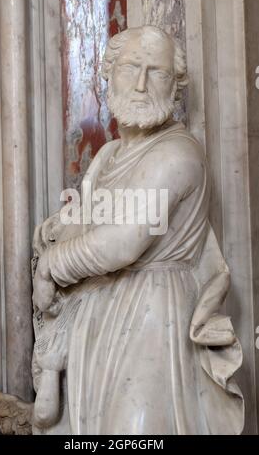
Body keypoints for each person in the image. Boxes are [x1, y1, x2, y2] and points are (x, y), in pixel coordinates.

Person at [32, 26, 244, 435]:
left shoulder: (177, 153)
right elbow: (88, 216)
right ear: (108, 74)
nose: (143, 83)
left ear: (175, 87)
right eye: (132, 68)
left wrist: (50, 265)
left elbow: (122, 242)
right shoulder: (111, 153)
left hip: (151, 319)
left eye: (158, 72)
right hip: (98, 320)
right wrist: (57, 228)